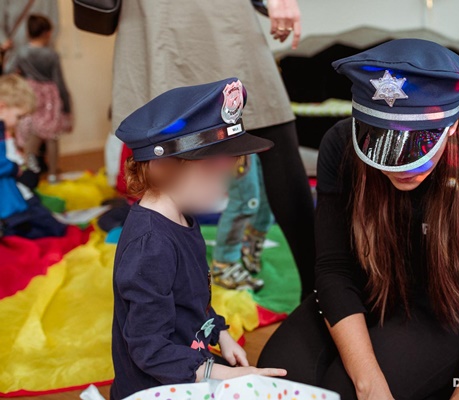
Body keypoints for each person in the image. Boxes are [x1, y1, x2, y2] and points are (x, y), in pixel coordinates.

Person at [258, 39, 459, 400]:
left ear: (451, 126)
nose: (402, 168)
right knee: (271, 388)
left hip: (442, 312)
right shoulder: (340, 145)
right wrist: (369, 381)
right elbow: (334, 269)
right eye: (381, 145)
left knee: (342, 393)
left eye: (419, 147)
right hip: (362, 291)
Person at [111, 0, 315, 299]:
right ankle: (170, 304)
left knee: (271, 124)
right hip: (155, 15)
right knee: (161, 143)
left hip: (217, 13)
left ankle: (320, 293)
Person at [110, 78, 287, 399]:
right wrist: (218, 373)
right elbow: (148, 347)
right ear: (164, 167)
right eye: (213, 173)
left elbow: (192, 299)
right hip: (155, 388)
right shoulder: (151, 246)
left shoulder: (182, 217)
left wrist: (221, 334)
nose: (226, 186)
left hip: (187, 365)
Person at [6, 14, 72, 184]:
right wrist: (66, 104)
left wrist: (22, 75)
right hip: (49, 96)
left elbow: (8, 70)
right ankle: (52, 174)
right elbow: (59, 81)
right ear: (47, 33)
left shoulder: (22, 52)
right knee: (52, 135)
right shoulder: (51, 54)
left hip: (31, 93)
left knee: (32, 131)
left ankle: (30, 168)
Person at [0, 73, 65, 238]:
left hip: (16, 194)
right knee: (50, 230)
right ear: (2, 107)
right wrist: (17, 168)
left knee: (52, 220)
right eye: (18, 116)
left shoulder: (5, 131)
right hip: (10, 202)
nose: (19, 121)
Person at [212, 153, 273, 291]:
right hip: (238, 136)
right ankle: (223, 265)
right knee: (246, 200)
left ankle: (249, 243)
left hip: (260, 135)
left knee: (269, 191)